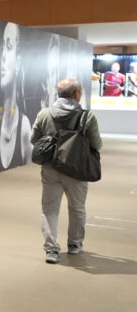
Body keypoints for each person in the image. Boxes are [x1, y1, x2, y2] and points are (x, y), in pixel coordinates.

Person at [30, 78, 102, 264]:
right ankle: (75, 245)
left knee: (49, 210)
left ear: (59, 94)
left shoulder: (45, 114)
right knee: (77, 208)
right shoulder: (87, 117)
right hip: (77, 171)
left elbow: (34, 140)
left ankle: (51, 250)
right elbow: (97, 144)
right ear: (77, 95)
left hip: (50, 169)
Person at [0, 22, 32, 176]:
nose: (3, 56)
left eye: (9, 47)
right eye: (2, 47)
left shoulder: (25, 130)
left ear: (18, 63)